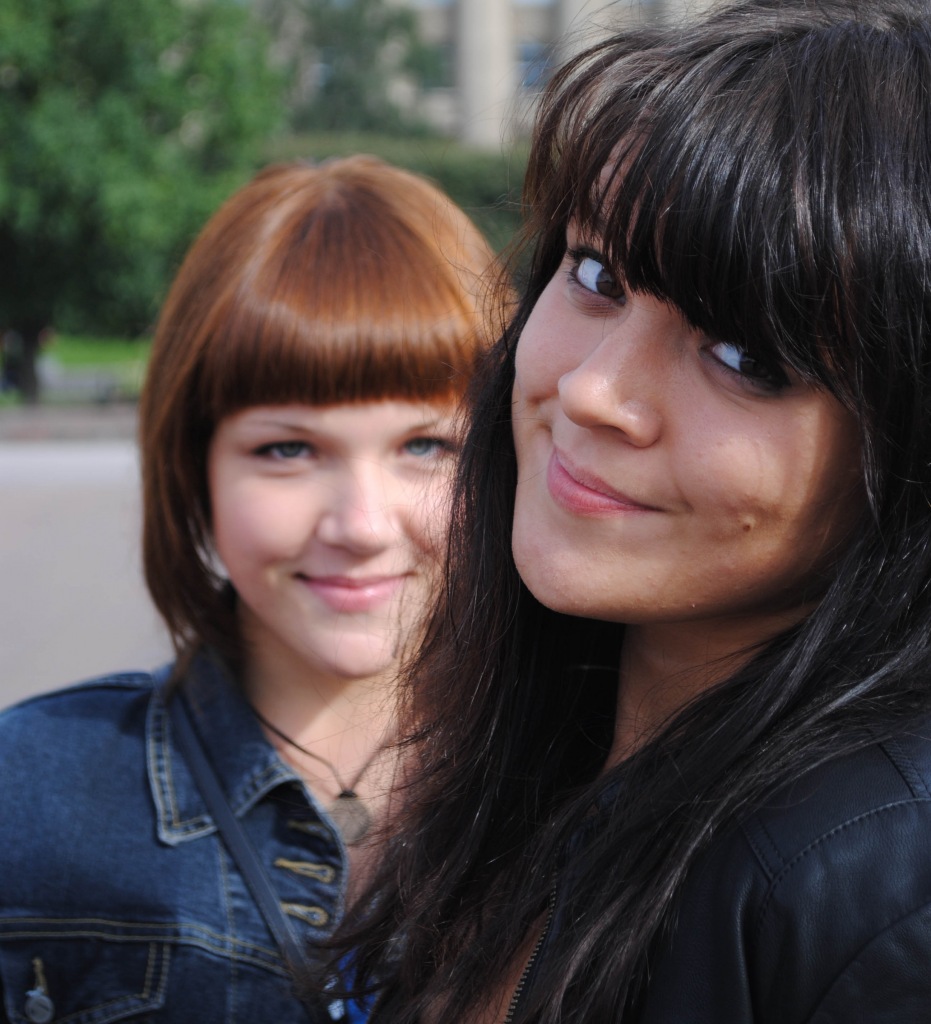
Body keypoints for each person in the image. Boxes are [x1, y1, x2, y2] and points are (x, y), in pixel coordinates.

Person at [337, 3, 931, 1021]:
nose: (591, 391)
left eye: (741, 356)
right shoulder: (521, 766)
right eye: (596, 276)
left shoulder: (876, 897)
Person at [0, 156, 496, 1024]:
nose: (361, 525)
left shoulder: (603, 788)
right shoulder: (31, 794)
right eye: (287, 450)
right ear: (194, 470)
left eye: (426, 446)